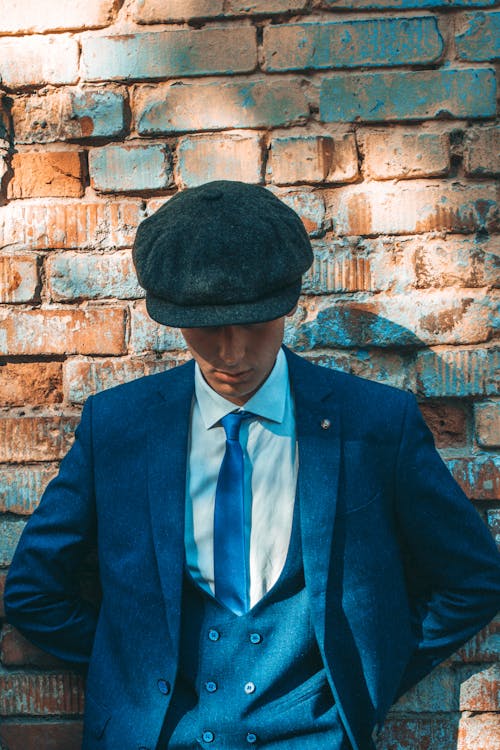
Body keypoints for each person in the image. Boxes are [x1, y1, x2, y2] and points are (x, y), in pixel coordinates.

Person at [4, 181, 500, 750]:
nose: (232, 353)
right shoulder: (118, 426)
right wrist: (133, 664)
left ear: (286, 306)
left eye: (254, 323)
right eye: (208, 328)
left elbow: (473, 579)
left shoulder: (375, 424)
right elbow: (34, 591)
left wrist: (365, 672)